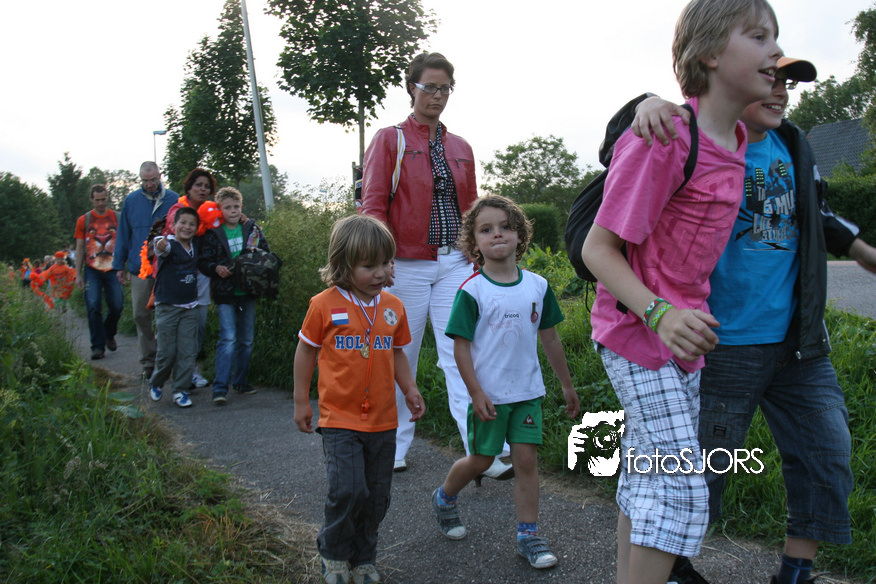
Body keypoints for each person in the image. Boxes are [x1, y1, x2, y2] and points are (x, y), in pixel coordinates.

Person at [632, 56, 876, 584]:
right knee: (699, 472)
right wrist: (645, 103)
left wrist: (862, 250)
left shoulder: (793, 143)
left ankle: (795, 572)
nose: (779, 90)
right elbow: (625, 158)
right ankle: (672, 569)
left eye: (786, 83)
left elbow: (816, 211)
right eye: (770, 78)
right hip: (721, 341)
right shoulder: (694, 135)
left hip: (798, 343)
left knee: (826, 452)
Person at [579, 1, 781, 583]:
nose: (775, 51)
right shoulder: (664, 137)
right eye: (757, 36)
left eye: (775, 37)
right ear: (711, 52)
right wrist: (660, 313)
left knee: (646, 475)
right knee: (678, 488)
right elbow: (598, 250)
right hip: (636, 333)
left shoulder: (739, 135)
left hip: (681, 341)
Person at [360, 52, 512, 479]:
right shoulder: (389, 140)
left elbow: (473, 209)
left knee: (463, 353)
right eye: (430, 87)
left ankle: (483, 451)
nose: (438, 95)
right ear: (412, 88)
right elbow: (373, 204)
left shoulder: (461, 146)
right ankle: (391, 447)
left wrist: (478, 255)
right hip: (404, 264)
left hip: (455, 262)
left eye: (445, 88)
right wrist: (380, 259)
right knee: (399, 353)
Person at [430, 195, 580, 569]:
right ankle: (445, 497)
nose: (497, 234)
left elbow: (550, 339)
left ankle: (529, 536)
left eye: (506, 227)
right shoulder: (471, 291)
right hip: (489, 397)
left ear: (520, 236)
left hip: (528, 393)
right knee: (482, 460)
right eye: (486, 229)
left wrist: (566, 384)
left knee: (526, 461)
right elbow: (460, 348)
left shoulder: (538, 286)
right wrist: (475, 392)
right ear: (474, 243)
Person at [293, 214, 425, 584]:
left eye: (386, 262)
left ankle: (364, 557)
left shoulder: (393, 307)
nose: (381, 272)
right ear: (343, 265)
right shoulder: (323, 305)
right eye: (369, 266)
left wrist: (410, 389)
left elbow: (397, 352)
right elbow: (305, 351)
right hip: (339, 419)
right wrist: (301, 400)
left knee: (377, 496)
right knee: (348, 490)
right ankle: (334, 554)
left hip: (383, 420)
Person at [198, 187, 268, 404]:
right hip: (225, 292)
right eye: (227, 208)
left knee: (246, 340)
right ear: (220, 210)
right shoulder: (213, 233)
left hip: (247, 290)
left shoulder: (250, 228)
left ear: (242, 207)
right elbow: (203, 261)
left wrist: (254, 260)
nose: (233, 211)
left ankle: (240, 381)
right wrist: (216, 268)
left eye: (236, 206)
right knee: (228, 338)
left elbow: (265, 250)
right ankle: (220, 388)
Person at [113, 161, 178, 379]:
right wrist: (119, 265)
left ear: (160, 176)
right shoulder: (131, 201)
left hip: (166, 266)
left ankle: (165, 360)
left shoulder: (173, 199)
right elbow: (123, 234)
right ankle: (148, 360)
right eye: (145, 180)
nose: (149, 184)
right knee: (140, 314)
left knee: (166, 314)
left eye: (153, 179)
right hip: (139, 267)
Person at [160, 167, 217, 389]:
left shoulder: (211, 209)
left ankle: (188, 371)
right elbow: (169, 235)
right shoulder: (178, 210)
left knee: (197, 327)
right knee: (175, 330)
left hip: (201, 276)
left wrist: (241, 217)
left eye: (206, 186)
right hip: (177, 277)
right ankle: (174, 373)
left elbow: (225, 219)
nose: (202, 189)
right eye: (198, 185)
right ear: (189, 187)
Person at [148, 207, 200, 409]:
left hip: (190, 307)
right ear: (173, 225)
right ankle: (157, 382)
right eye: (183, 223)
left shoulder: (195, 246)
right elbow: (160, 247)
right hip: (167, 306)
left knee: (188, 352)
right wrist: (158, 243)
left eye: (192, 224)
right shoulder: (168, 244)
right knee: (167, 352)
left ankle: (180, 390)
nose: (187, 227)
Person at [74, 184, 124, 360]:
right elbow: (79, 247)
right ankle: (97, 347)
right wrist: (77, 274)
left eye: (103, 199)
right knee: (93, 306)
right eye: (97, 200)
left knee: (117, 305)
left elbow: (124, 242)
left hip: (113, 268)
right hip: (92, 269)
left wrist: (125, 266)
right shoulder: (84, 220)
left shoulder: (117, 217)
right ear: (92, 199)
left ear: (107, 197)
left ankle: (109, 333)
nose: (101, 203)